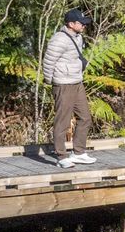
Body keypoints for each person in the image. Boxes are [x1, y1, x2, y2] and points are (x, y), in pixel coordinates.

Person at [42, 9, 97, 168]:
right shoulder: (59, 40)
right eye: (81, 23)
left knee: (85, 117)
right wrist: (50, 81)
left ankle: (78, 153)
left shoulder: (78, 37)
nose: (84, 26)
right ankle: (61, 156)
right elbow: (48, 62)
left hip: (77, 82)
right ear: (71, 24)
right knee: (63, 122)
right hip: (63, 84)